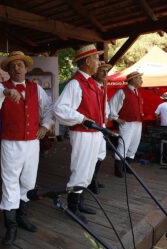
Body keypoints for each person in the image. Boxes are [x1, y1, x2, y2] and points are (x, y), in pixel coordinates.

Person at [0, 51, 54, 245]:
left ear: (26, 68)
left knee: (28, 181)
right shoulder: (0, 87)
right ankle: (10, 226)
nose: (16, 68)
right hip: (11, 143)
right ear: (8, 70)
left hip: (32, 143)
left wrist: (45, 126)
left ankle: (21, 217)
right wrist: (4, 92)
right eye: (12, 66)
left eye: (20, 65)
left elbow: (48, 108)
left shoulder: (36, 89)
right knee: (10, 182)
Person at [54, 44, 103, 223]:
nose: (99, 62)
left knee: (88, 171)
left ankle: (79, 201)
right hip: (83, 133)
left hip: (93, 133)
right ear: (88, 61)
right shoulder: (76, 83)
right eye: (96, 59)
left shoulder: (90, 82)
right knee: (80, 170)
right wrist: (82, 118)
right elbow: (60, 109)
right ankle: (72, 207)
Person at [109, 71, 144, 178]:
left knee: (134, 144)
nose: (141, 80)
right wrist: (116, 118)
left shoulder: (137, 92)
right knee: (123, 144)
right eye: (138, 78)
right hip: (127, 123)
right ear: (132, 80)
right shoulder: (122, 91)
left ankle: (127, 166)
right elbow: (112, 105)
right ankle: (118, 169)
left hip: (137, 123)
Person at [88, 61, 112, 194]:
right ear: (95, 71)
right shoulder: (89, 85)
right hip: (91, 125)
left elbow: (106, 105)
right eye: (102, 70)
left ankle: (93, 178)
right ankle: (89, 180)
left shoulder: (102, 88)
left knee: (101, 153)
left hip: (100, 124)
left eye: (106, 71)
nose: (105, 73)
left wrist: (106, 115)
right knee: (91, 154)